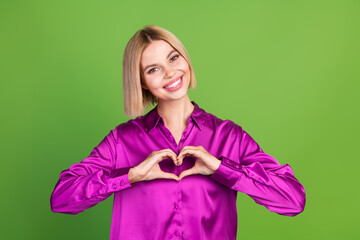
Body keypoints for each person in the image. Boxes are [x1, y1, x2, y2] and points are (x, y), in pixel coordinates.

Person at [50, 25, 306, 240]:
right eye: (153, 69)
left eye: (173, 58)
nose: (170, 72)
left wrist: (221, 169)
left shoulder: (229, 137)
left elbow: (292, 200)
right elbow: (61, 198)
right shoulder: (122, 141)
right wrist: (130, 176)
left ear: (185, 58)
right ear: (141, 82)